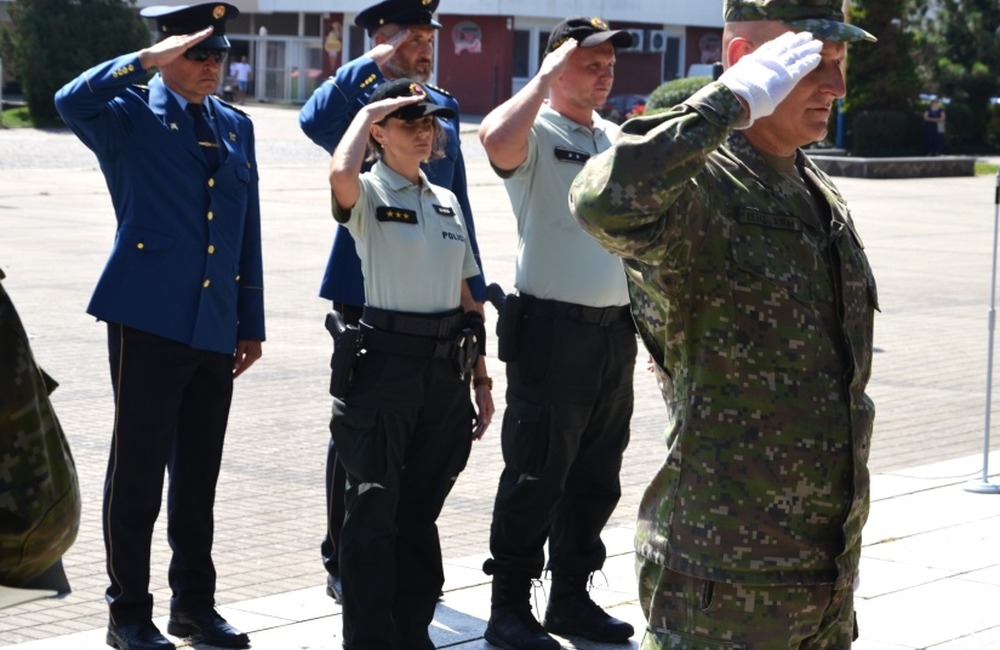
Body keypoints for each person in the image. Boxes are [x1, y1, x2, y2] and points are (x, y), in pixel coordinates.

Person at [569, 1, 879, 647]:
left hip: (825, 575)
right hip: (723, 582)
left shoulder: (814, 187)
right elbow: (601, 202)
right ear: (743, 62)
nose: (836, 86)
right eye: (811, 62)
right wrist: (725, 103)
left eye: (841, 63)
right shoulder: (700, 184)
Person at [54, 4, 264, 649]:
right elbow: (68, 100)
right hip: (147, 315)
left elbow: (246, 232)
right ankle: (128, 613)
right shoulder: (127, 114)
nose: (211, 65)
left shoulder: (235, 125)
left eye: (218, 54)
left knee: (198, 476)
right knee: (139, 472)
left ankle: (194, 607)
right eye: (197, 53)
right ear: (167, 53)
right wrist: (142, 62)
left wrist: (250, 320)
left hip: (214, 323)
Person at [299, 0, 487, 605]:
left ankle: (401, 558)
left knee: (423, 436)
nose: (424, 48)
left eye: (429, 38)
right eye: (411, 39)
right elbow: (313, 121)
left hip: (437, 288)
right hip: (368, 287)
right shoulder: (366, 102)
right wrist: (372, 65)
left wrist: (475, 294)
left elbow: (456, 200)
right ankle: (342, 554)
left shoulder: (438, 107)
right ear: (382, 39)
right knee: (359, 435)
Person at [478, 17, 638, 650]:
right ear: (556, 67)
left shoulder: (614, 137)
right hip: (552, 332)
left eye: (609, 65)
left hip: (613, 333)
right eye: (590, 63)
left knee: (597, 475)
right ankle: (508, 609)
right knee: (536, 473)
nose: (605, 74)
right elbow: (494, 139)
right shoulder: (536, 131)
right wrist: (541, 79)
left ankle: (570, 598)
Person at [327, 77, 493, 650]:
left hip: (444, 371)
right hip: (385, 368)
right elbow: (339, 175)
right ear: (379, 132)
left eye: (430, 123)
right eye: (410, 122)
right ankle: (370, 639)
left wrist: (481, 377)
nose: (425, 132)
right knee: (373, 509)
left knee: (420, 512)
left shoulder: (445, 199)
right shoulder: (370, 193)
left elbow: (468, 296)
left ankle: (412, 631)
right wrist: (368, 110)